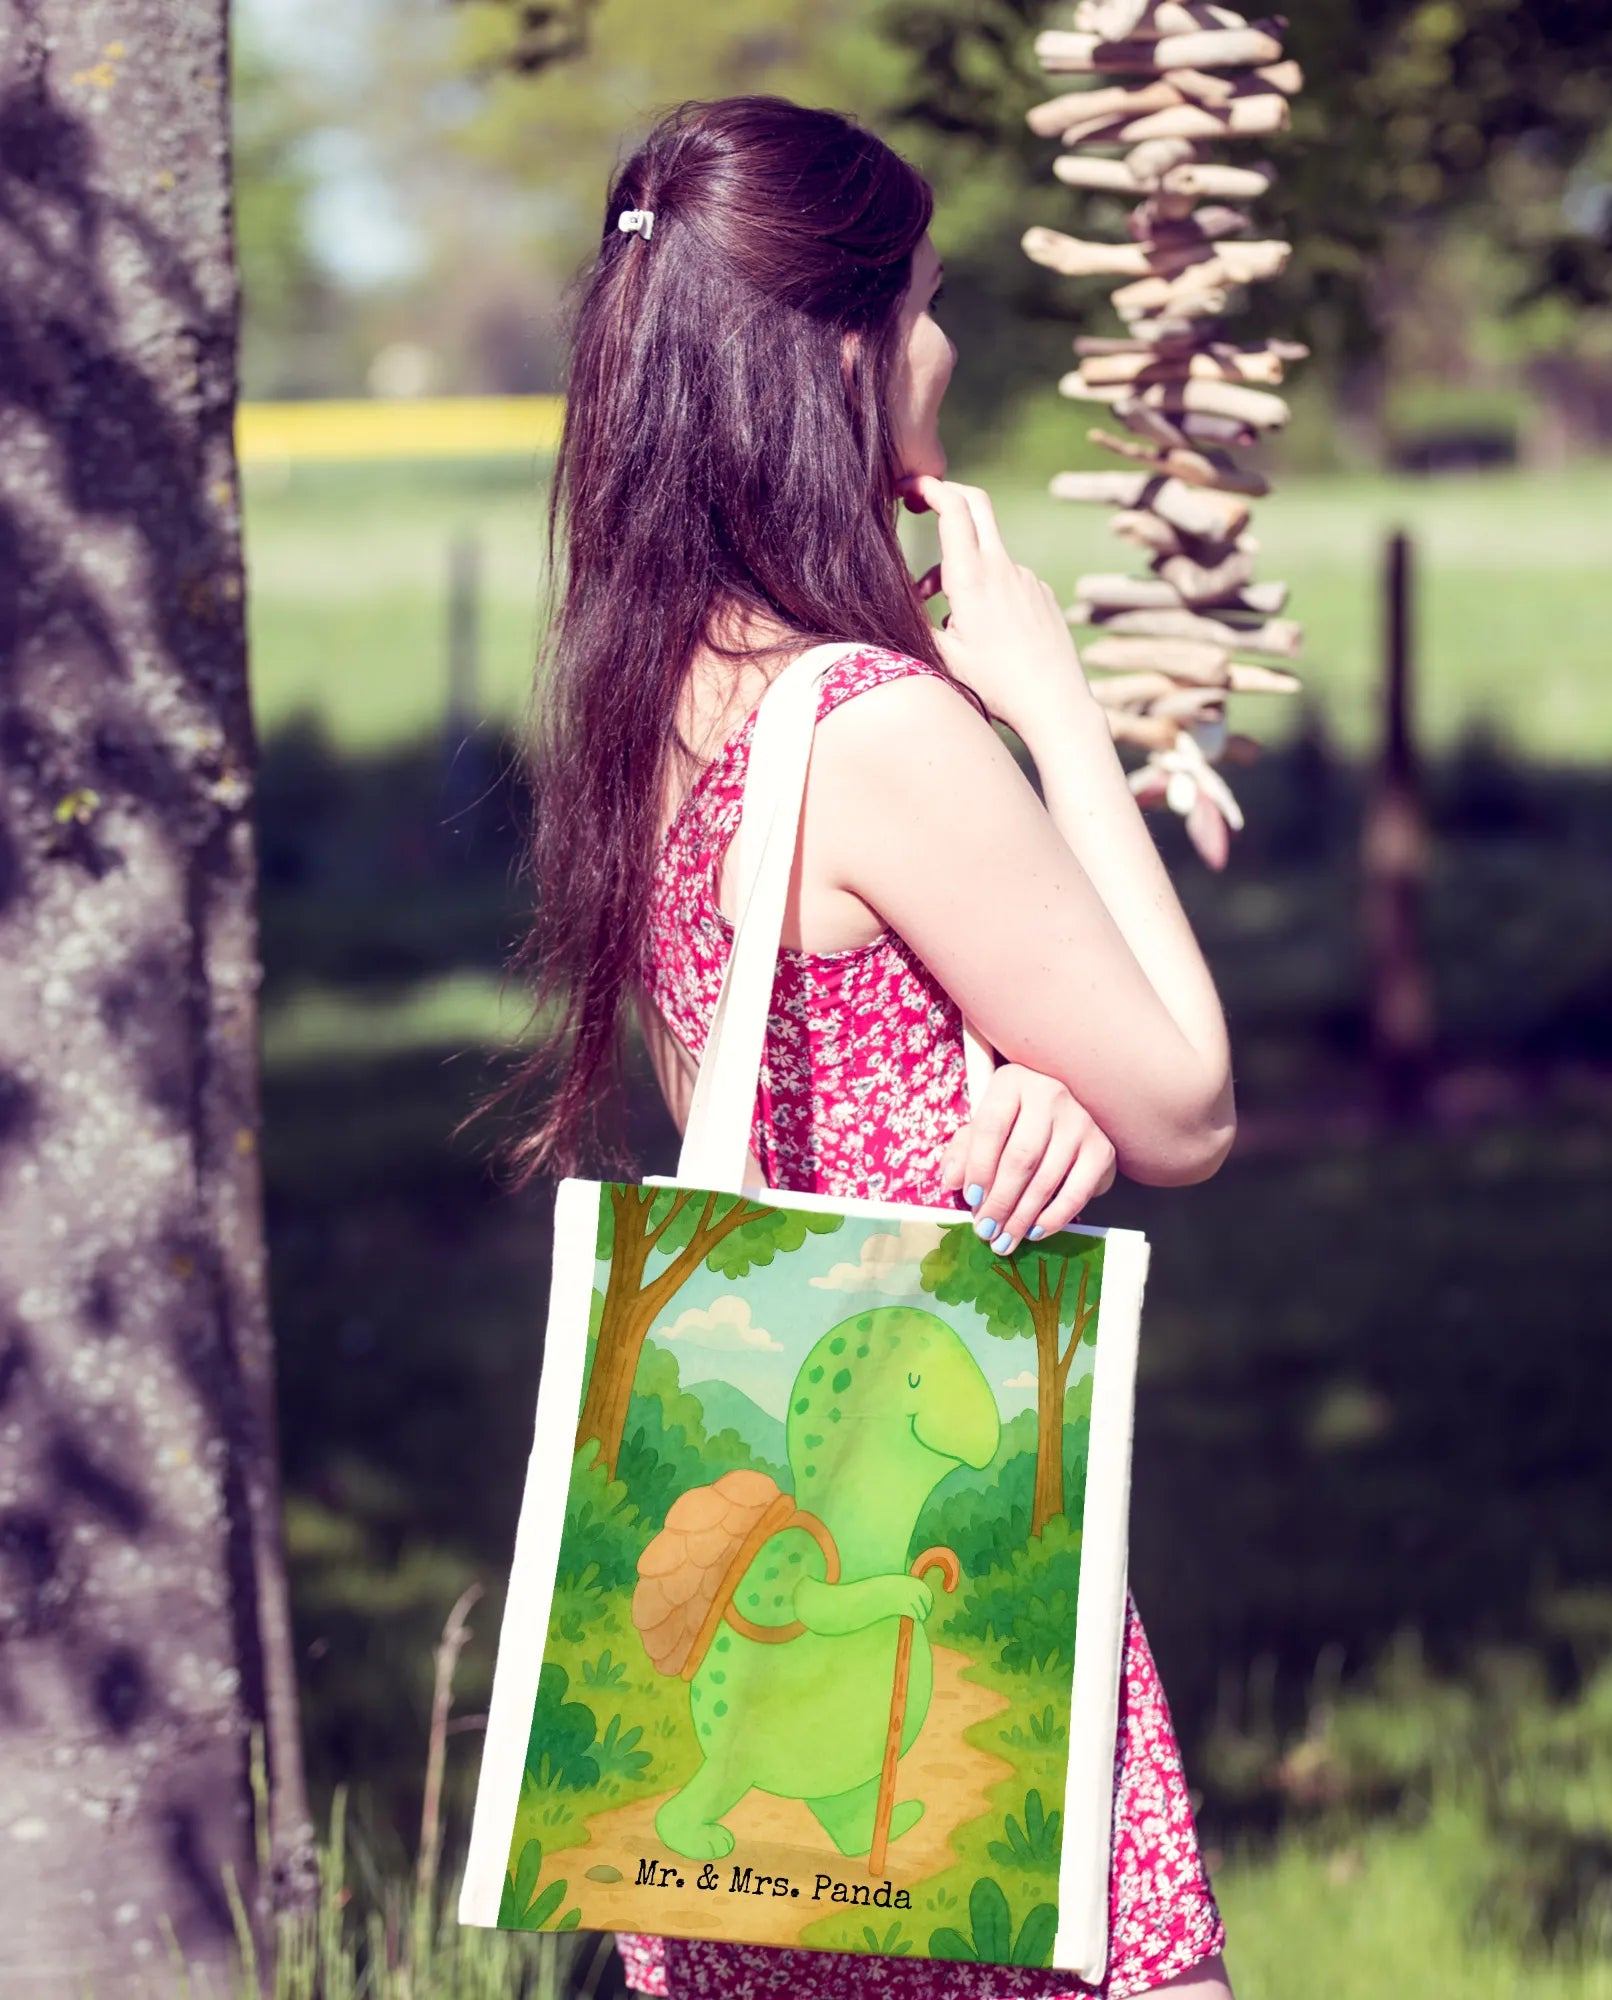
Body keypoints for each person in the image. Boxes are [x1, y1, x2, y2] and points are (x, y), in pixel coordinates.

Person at [489, 93, 1238, 2000]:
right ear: (839, 350)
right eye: (923, 303)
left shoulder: (657, 691)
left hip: (757, 1705)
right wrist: (1058, 717)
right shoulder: (882, 730)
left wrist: (1018, 1072)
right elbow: (1187, 1102)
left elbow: (777, 1078)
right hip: (943, 1627)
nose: (945, 348)